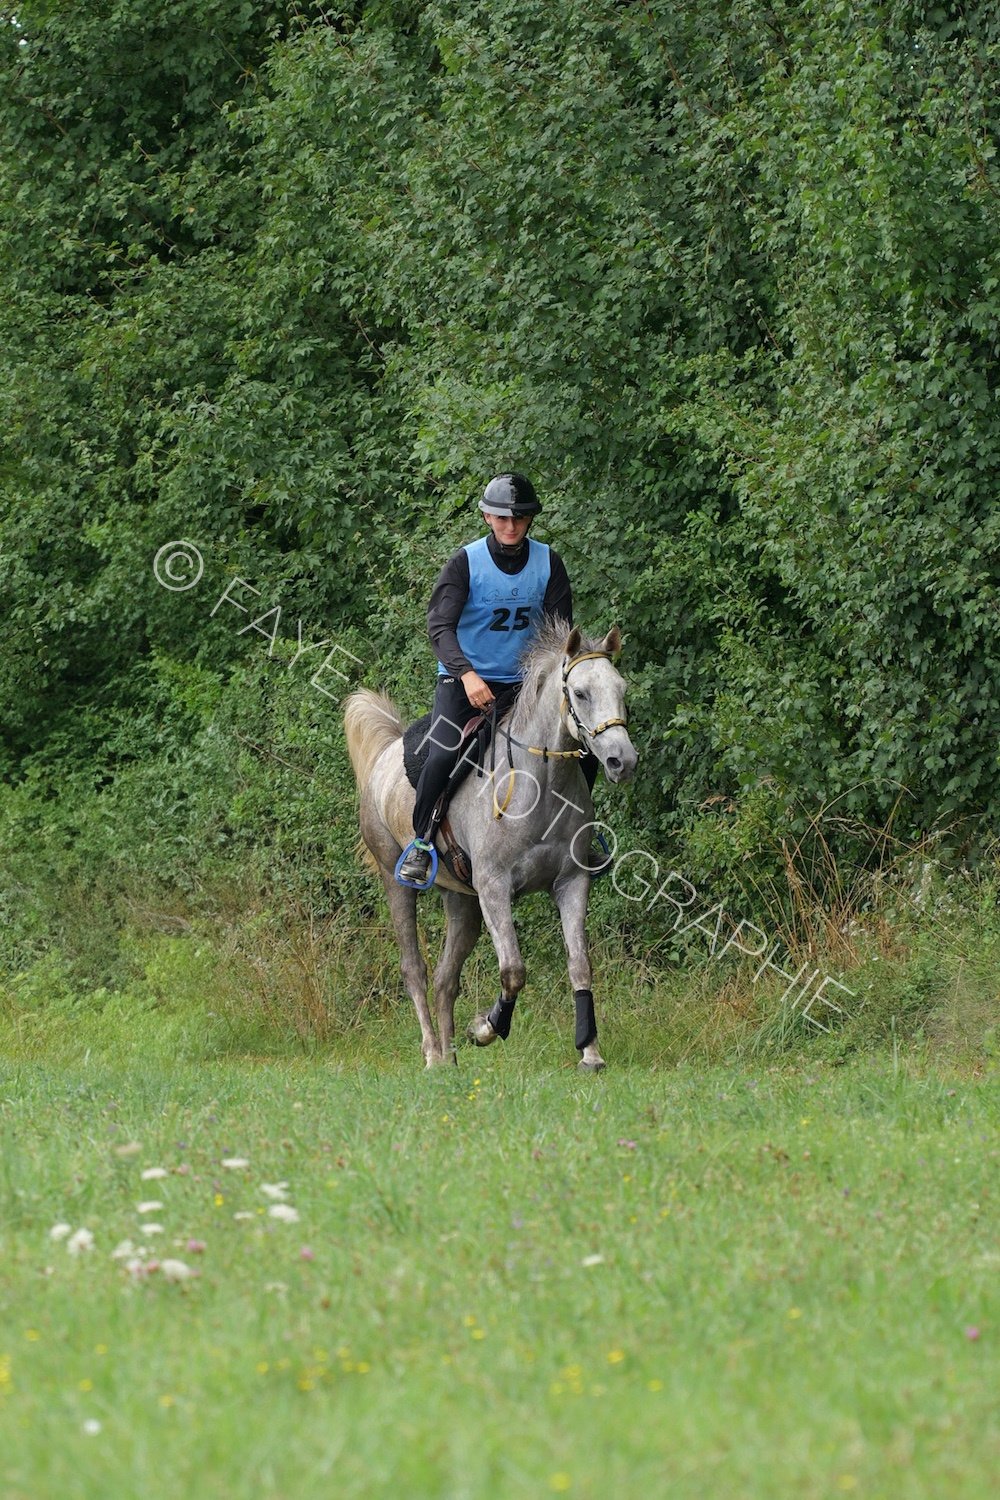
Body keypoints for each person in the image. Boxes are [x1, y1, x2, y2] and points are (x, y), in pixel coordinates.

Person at [397, 473, 577, 887]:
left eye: (519, 518)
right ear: (486, 517)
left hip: (525, 683)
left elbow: (559, 632)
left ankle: (581, 837)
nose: (510, 526)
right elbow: (440, 627)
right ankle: (422, 842)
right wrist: (466, 674)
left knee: (576, 744)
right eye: (502, 518)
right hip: (465, 681)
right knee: (443, 752)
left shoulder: (549, 562)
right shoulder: (465, 563)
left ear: (530, 520)